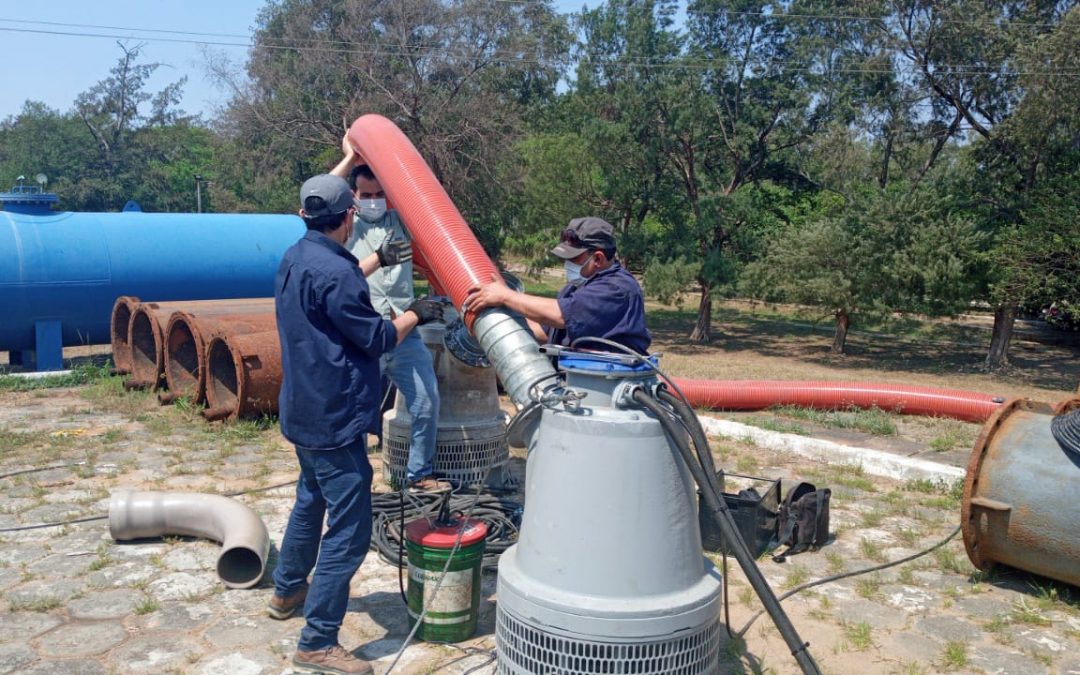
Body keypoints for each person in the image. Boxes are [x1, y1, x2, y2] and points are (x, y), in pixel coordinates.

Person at [268, 173, 444, 675]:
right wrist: (416, 313)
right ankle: (318, 640)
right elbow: (377, 338)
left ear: (305, 216)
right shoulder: (337, 273)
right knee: (349, 528)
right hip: (334, 417)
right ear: (348, 215)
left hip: (302, 409)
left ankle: (287, 591)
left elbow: (334, 280)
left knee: (310, 500)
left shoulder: (295, 257)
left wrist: (379, 259)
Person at [331, 138, 445, 492]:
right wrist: (350, 157)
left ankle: (418, 474)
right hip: (364, 333)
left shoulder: (401, 221)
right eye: (365, 195)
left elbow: (424, 200)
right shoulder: (345, 228)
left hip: (404, 330)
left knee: (426, 401)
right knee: (357, 408)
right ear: (353, 197)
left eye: (379, 194)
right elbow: (321, 195)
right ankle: (353, 478)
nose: (373, 201)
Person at [463, 216, 651, 354]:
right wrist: (493, 324)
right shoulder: (576, 288)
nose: (567, 264)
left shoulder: (616, 288)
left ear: (598, 259)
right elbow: (546, 331)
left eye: (574, 258)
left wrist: (505, 296)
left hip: (609, 386)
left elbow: (559, 315)